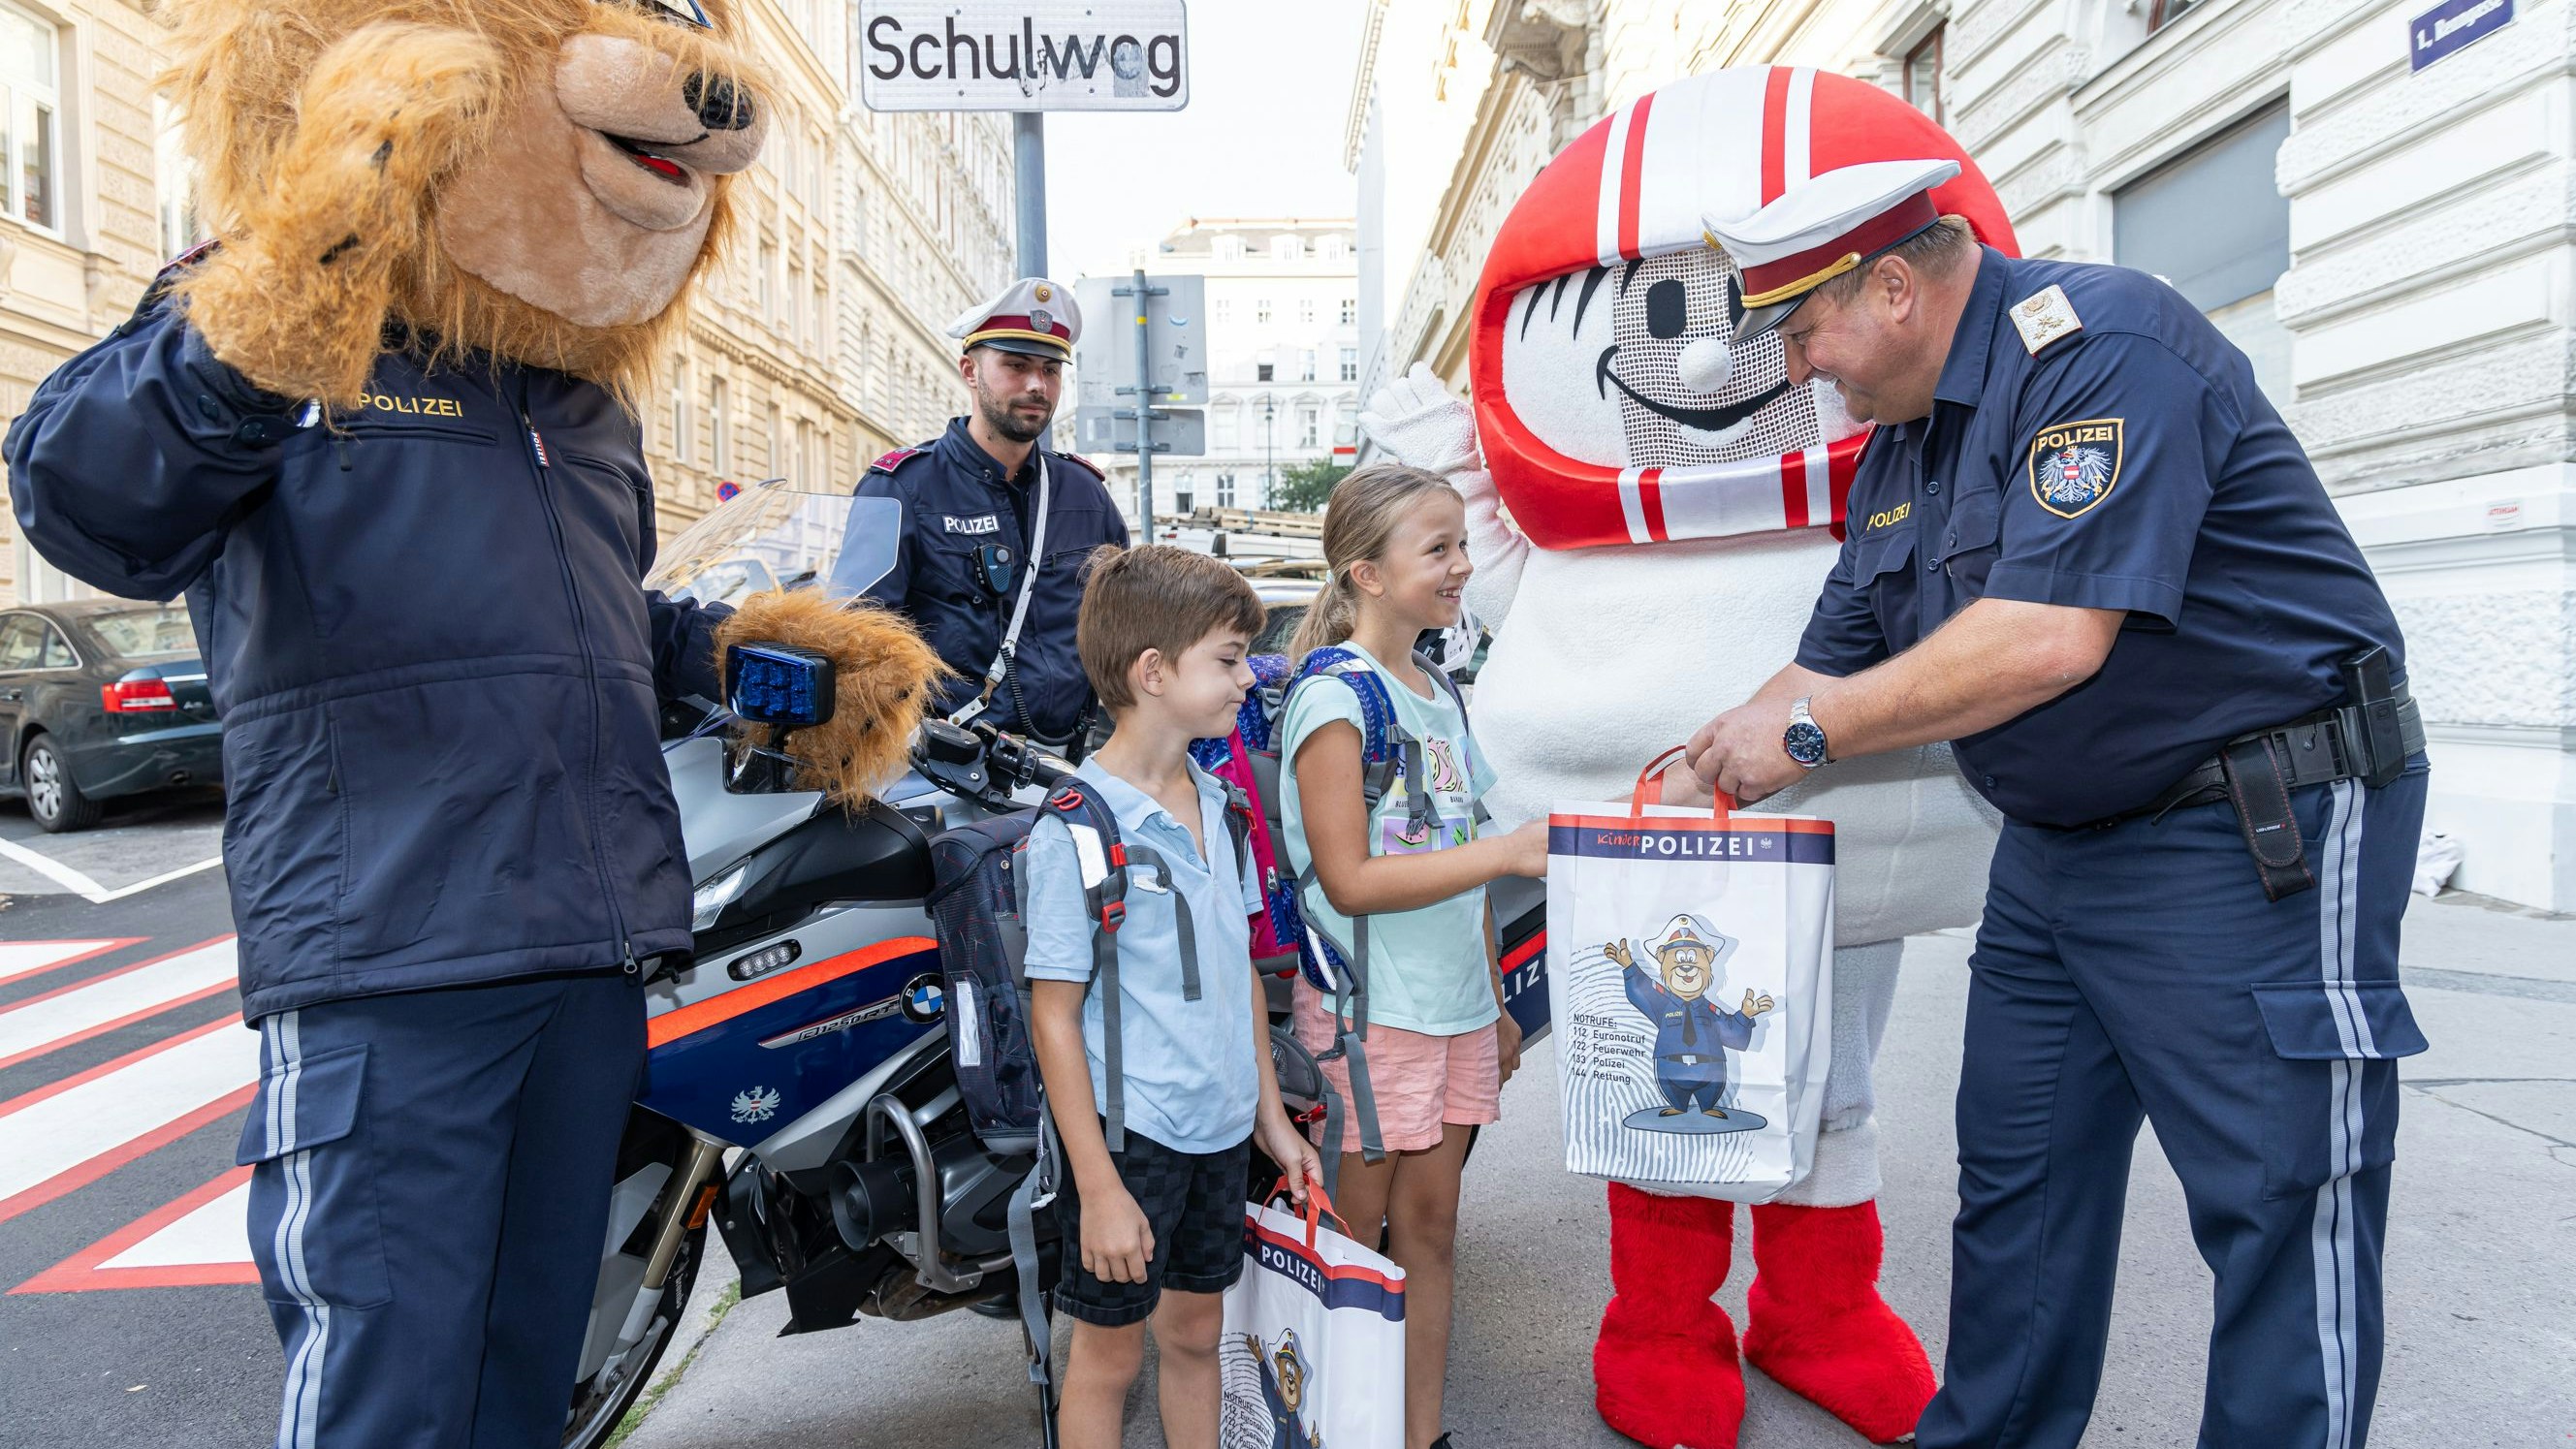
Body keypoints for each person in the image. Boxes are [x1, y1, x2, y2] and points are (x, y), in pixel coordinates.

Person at [1691, 158, 2431, 1449]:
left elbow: (2045, 637)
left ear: (1893, 287)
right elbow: (1825, 664)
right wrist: (1688, 772)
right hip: (2051, 850)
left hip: (2251, 822)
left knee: (2276, 1199)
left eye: (1804, 332)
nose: (1803, 369)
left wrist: (1804, 733)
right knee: (2019, 1186)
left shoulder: (2101, 347)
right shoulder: (1901, 448)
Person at [1025, 545, 1325, 1449]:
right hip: (1130, 1140)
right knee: (1108, 1358)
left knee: (1197, 1332)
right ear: (1153, 671)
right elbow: (1053, 1014)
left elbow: (1239, 974)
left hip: (1221, 1126)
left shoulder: (1221, 802)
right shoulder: (1079, 827)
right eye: (1228, 658)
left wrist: (1271, 1120)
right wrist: (1098, 1187)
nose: (1248, 678)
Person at [1277, 463, 1551, 1449]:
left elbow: (1459, 857)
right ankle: (1345, 1430)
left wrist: (1495, 1001)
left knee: (1430, 1232)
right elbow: (1348, 880)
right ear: (1367, 573)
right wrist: (1507, 854)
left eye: (1461, 543)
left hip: (1456, 1010)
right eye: (1437, 548)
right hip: (1372, 1018)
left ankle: (1418, 1433)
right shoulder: (1333, 698)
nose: (1462, 565)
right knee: (1354, 1249)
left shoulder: (1438, 690)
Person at [856, 277, 1128, 750]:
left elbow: (1127, 626)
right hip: (945, 767)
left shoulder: (1084, 492)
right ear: (970, 371)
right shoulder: (901, 488)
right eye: (1016, 366)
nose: (1037, 385)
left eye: (1050, 370)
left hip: (1069, 761)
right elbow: (859, 645)